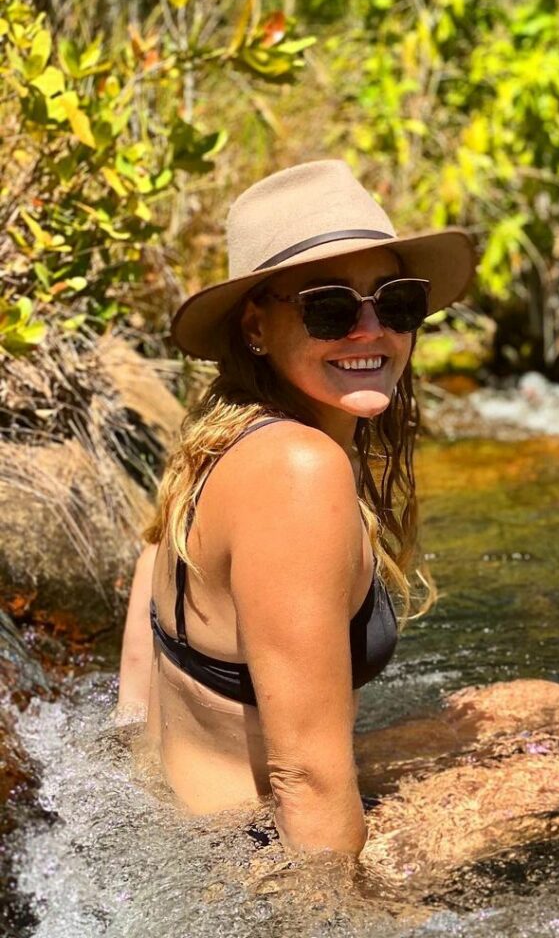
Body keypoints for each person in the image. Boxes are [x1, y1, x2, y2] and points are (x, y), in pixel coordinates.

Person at [115, 159, 479, 859]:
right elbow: (305, 779)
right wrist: (352, 919)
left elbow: (134, 695)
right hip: (259, 861)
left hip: (184, 838)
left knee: (533, 711)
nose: (369, 330)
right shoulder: (298, 471)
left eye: (396, 302)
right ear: (257, 325)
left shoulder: (215, 440)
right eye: (330, 308)